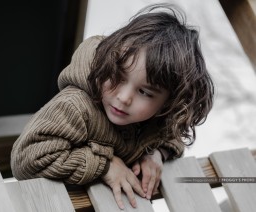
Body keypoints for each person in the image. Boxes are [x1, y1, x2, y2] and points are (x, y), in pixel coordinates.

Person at [11, 3, 214, 210]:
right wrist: (105, 166)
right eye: (118, 76)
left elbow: (173, 133)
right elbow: (28, 158)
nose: (124, 98)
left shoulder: (154, 119)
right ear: (107, 62)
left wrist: (157, 154)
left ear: (168, 104)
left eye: (144, 92)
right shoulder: (75, 106)